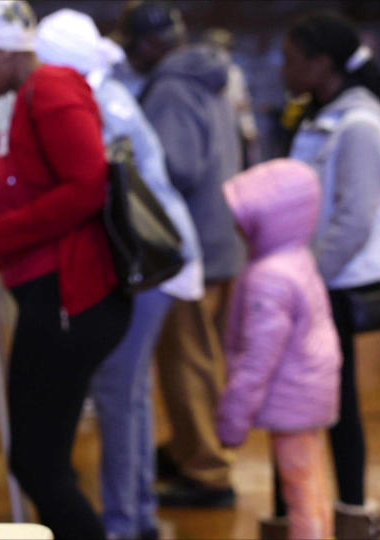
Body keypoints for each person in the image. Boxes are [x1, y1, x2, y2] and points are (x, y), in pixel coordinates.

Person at [0, 2, 132, 538]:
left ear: (3, 53)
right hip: (56, 295)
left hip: (69, 299)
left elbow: (86, 189)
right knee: (44, 458)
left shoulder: (48, 90)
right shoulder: (32, 95)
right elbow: (35, 204)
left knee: (35, 461)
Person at [35, 9, 203, 540]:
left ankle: (123, 524)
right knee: (129, 394)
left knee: (117, 393)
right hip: (161, 259)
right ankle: (139, 515)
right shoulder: (107, 93)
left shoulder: (93, 104)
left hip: (147, 264)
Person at [116, 0, 245, 507]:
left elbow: (174, 168)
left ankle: (207, 473)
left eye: (131, 44)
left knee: (185, 363)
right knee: (204, 360)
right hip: (222, 236)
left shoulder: (171, 89)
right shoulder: (206, 76)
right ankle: (196, 447)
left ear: (150, 43)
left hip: (190, 247)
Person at [282, 12, 380, 539]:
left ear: (322, 64)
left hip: (337, 284)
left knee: (339, 402)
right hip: (319, 278)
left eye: (292, 60)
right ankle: (303, 510)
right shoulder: (325, 113)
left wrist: (308, 279)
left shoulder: (361, 123)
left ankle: (350, 509)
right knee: (310, 398)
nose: (283, 69)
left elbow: (354, 217)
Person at [216, 159, 341, 540]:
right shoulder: (296, 259)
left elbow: (259, 358)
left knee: (299, 491)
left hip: (292, 396)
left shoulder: (269, 278)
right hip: (309, 390)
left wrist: (232, 418)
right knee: (311, 481)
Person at [203, 28, 262, 167]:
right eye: (215, 47)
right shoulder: (201, 75)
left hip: (232, 130)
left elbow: (243, 104)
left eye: (225, 48)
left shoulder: (234, 73)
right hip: (211, 130)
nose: (221, 52)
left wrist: (249, 128)